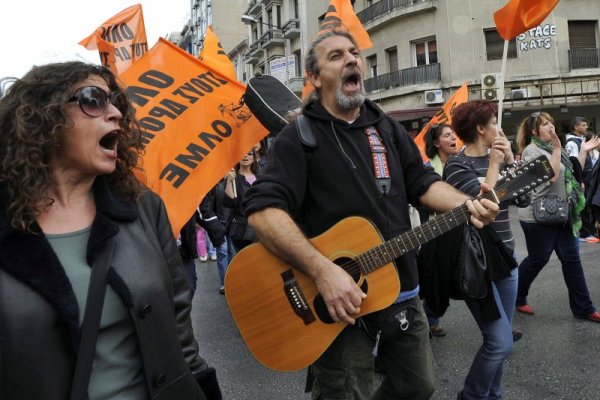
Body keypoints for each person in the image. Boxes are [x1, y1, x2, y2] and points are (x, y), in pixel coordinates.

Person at [243, 30, 499, 400]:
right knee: (347, 392)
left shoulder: (386, 128)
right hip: (334, 300)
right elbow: (262, 213)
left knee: (418, 385)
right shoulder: (298, 138)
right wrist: (322, 271)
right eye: (335, 56)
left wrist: (466, 203)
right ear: (314, 78)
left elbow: (423, 183)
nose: (351, 59)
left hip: (400, 290)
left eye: (354, 53)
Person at [0, 61, 221, 400]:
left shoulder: (143, 208)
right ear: (42, 117)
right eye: (94, 99)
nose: (116, 112)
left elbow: (178, 325)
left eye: (116, 101)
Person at [443, 100, 529, 400]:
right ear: (480, 129)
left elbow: (523, 201)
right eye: (494, 122)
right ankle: (473, 395)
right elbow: (481, 208)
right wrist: (494, 166)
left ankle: (493, 394)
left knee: (499, 338)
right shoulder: (457, 165)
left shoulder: (502, 158)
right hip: (477, 263)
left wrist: (512, 165)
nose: (499, 128)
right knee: (500, 342)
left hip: (507, 259)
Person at [514, 111, 600, 323]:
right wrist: (557, 148)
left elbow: (571, 171)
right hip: (537, 217)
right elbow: (550, 177)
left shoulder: (553, 148)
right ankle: (516, 294)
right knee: (538, 258)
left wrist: (583, 151)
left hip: (562, 213)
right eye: (545, 124)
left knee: (572, 260)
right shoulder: (530, 152)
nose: (551, 127)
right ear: (534, 131)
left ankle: (584, 308)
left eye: (552, 123)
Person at [422, 123, 459, 337]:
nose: (453, 138)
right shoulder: (427, 170)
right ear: (436, 143)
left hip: (459, 229)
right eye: (447, 135)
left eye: (453, 134)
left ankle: (496, 327)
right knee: (433, 279)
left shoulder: (461, 164)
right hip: (434, 232)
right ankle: (429, 320)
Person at [564, 117, 599, 241]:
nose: (586, 127)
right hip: (580, 180)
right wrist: (579, 180)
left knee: (586, 206)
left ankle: (588, 231)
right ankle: (583, 233)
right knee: (581, 207)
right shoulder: (572, 142)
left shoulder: (581, 141)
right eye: (583, 125)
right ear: (576, 127)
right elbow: (572, 164)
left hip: (587, 179)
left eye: (586, 125)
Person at [224, 151, 259, 252]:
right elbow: (230, 202)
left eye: (249, 154)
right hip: (241, 230)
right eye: (242, 153)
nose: (245, 156)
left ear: (254, 157)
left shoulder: (260, 176)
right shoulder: (233, 177)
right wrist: (230, 181)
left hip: (260, 226)